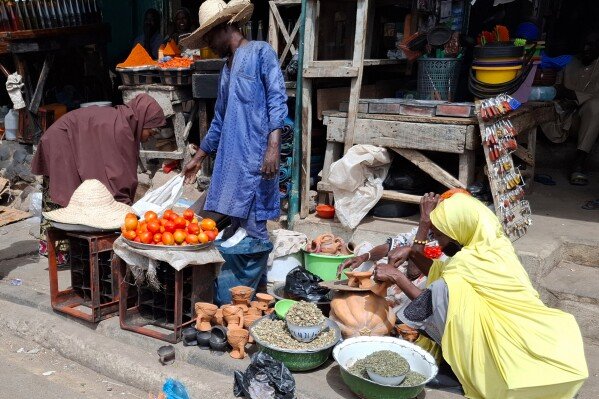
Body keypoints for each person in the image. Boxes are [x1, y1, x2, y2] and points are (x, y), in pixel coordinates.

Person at [372, 193, 588, 399]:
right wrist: (412, 253)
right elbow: (441, 270)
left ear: (459, 230)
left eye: (439, 235)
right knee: (443, 287)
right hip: (520, 327)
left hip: (504, 340)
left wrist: (398, 278)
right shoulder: (493, 246)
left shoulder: (465, 263)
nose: (437, 242)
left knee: (439, 290)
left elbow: (431, 298)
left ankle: (462, 363)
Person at [180, 0, 287, 243]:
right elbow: (219, 120)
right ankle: (242, 279)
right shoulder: (226, 69)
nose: (208, 45)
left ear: (225, 27)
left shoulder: (261, 52)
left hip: (257, 159)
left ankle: (256, 279)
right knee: (235, 227)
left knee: (254, 228)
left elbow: (277, 101)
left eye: (209, 38)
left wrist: (273, 148)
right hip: (233, 162)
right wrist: (197, 159)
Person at [31, 94, 166, 260]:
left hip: (67, 137)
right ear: (142, 121)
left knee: (78, 194)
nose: (149, 137)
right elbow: (117, 172)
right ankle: (58, 252)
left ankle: (67, 252)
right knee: (65, 193)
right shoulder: (122, 128)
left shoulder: (125, 123)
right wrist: (124, 208)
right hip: (61, 139)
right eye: (150, 132)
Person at [542, 31, 599, 186]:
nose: (586, 48)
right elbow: (557, 88)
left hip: (589, 121)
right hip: (567, 117)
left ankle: (579, 162)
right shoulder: (570, 63)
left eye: (592, 45)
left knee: (596, 107)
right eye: (584, 44)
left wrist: (576, 96)